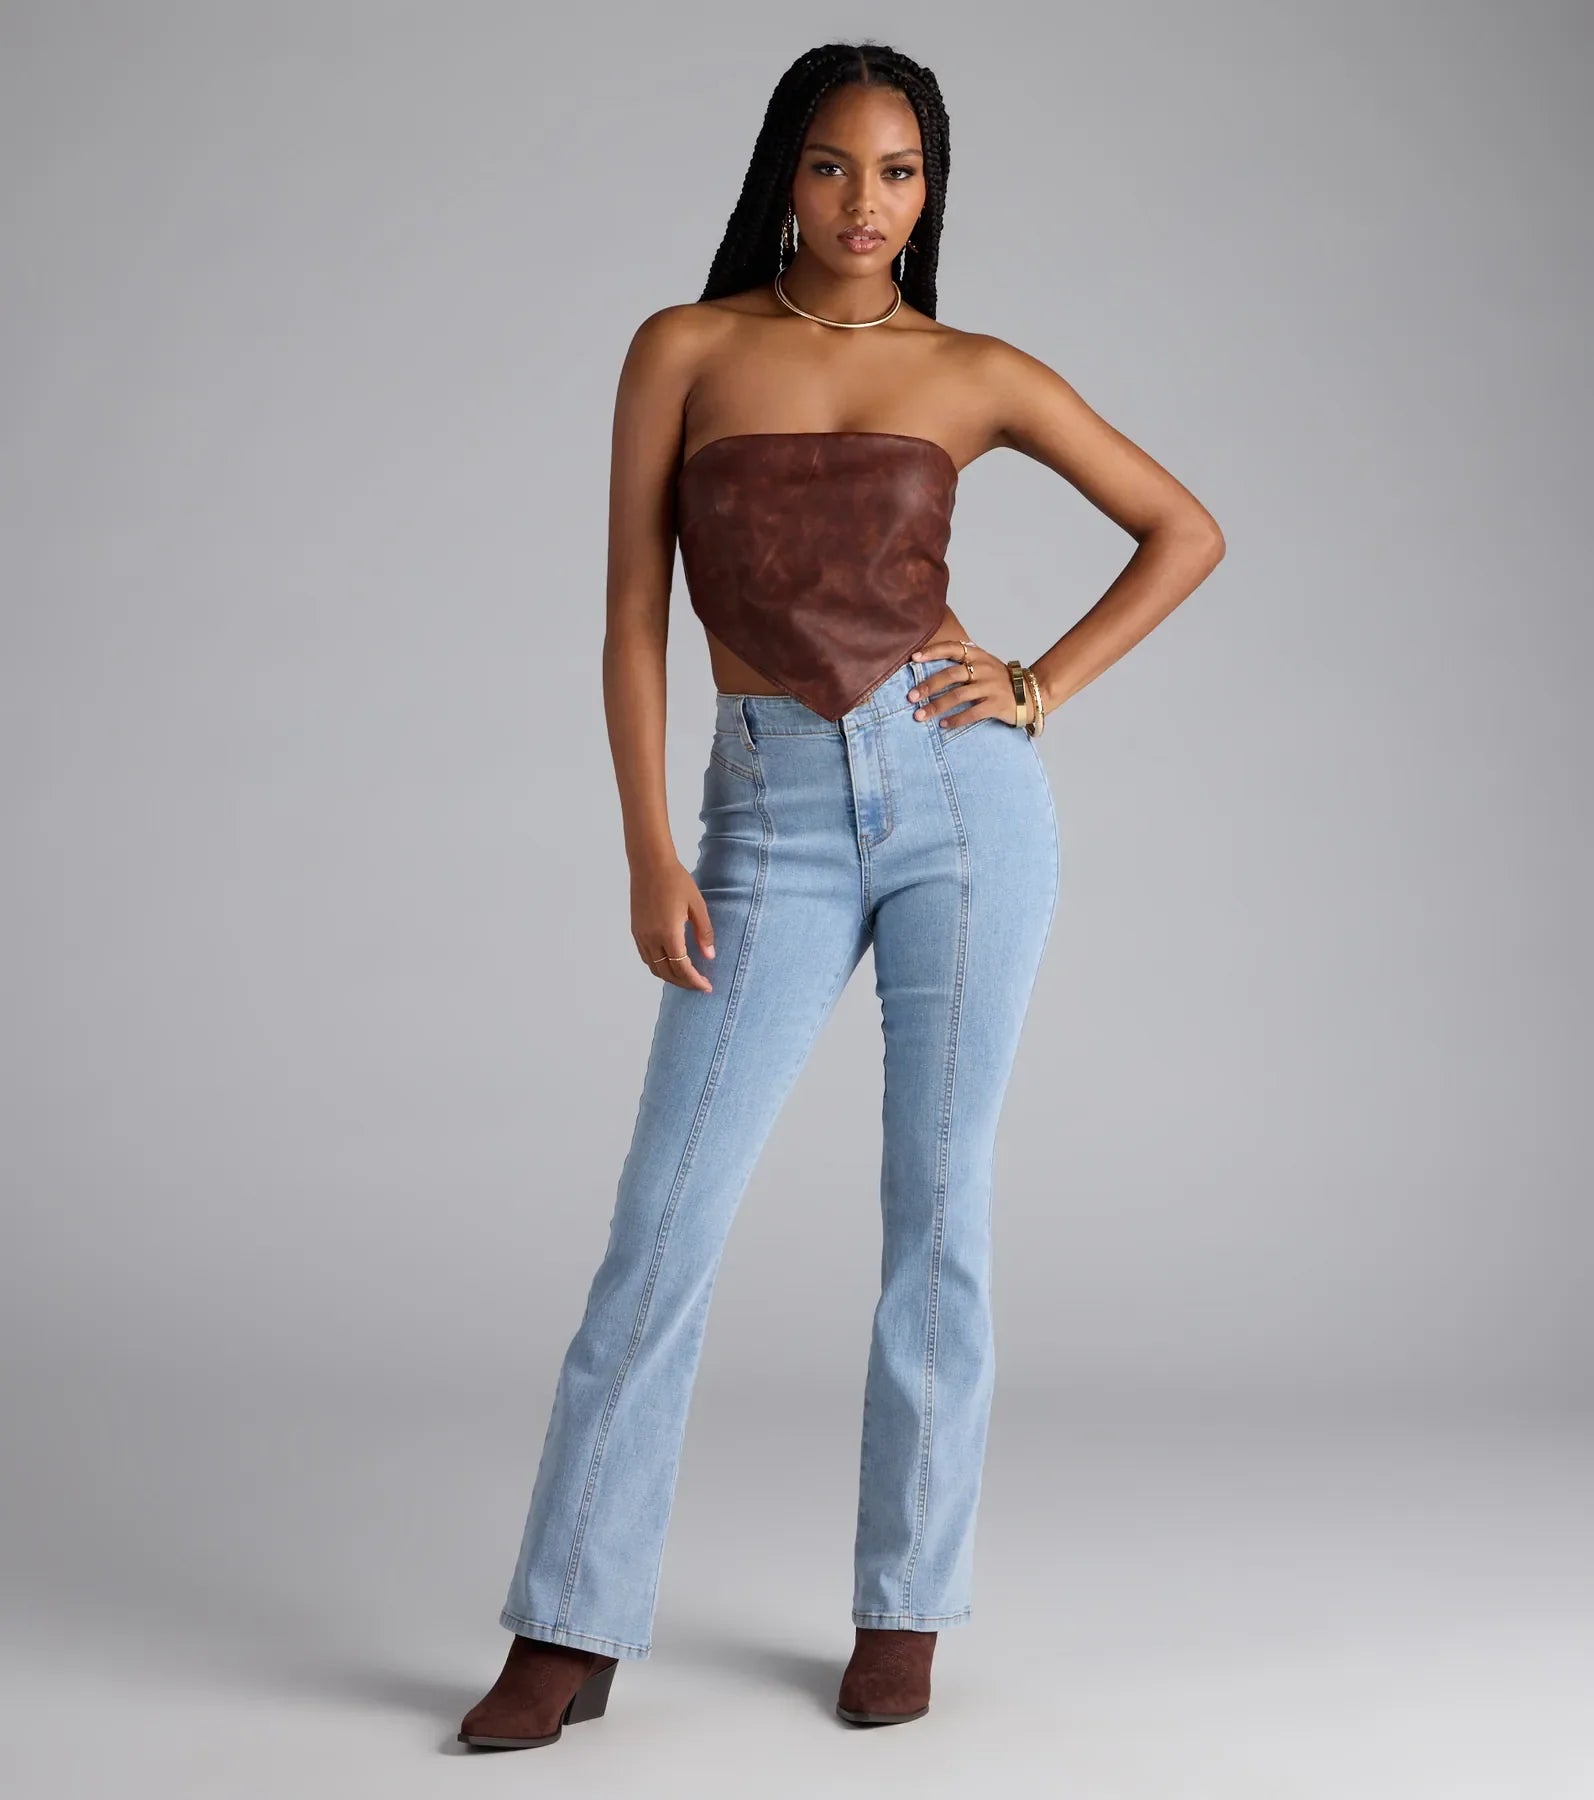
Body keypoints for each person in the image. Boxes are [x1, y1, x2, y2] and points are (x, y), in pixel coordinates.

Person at [459, 40, 1224, 1749]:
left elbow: (1182, 528)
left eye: (896, 171)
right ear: (783, 174)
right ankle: (565, 1618)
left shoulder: (971, 370)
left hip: (961, 803)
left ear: (929, 189)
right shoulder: (684, 346)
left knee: (937, 1210)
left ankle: (903, 1606)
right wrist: (649, 847)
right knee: (665, 1217)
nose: (863, 202)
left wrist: (1034, 684)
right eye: (831, 165)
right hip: (765, 814)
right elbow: (630, 616)